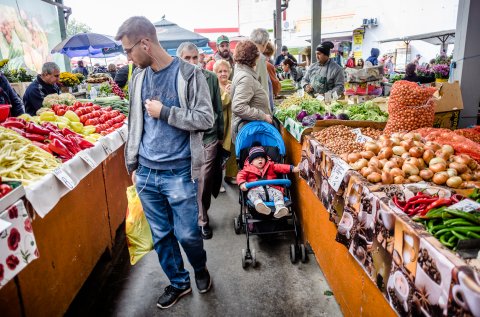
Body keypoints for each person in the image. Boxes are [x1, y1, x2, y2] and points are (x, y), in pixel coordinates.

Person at [115, 16, 214, 309]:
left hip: (180, 172)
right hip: (146, 174)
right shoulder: (138, 79)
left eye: (128, 50)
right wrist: (132, 165)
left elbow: (206, 119)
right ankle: (179, 282)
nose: (127, 57)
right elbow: (134, 125)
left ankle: (200, 268)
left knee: (188, 234)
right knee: (161, 236)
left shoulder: (189, 75)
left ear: (145, 43)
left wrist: (167, 112)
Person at [176, 42, 224, 240]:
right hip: (184, 137)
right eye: (187, 58)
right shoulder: (175, 78)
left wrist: (220, 136)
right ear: (179, 59)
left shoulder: (210, 78)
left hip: (208, 136)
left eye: (195, 57)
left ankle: (203, 220)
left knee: (204, 179)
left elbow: (217, 108)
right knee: (187, 180)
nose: (192, 62)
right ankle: (189, 217)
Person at [237, 146, 300, 218]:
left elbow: (281, 167)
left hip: (271, 189)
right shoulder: (247, 169)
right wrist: (242, 183)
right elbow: (240, 175)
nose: (260, 159)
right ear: (251, 161)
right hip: (256, 189)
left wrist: (293, 168)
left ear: (266, 159)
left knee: (278, 193)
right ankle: (259, 205)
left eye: (262, 158)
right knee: (251, 193)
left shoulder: (271, 166)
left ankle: (280, 208)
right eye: (257, 158)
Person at [231, 40, 273, 143]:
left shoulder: (243, 73)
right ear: (253, 57)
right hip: (250, 134)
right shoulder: (246, 77)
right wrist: (263, 116)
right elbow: (238, 107)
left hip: (251, 131)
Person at [213, 59, 237, 186]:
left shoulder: (233, 84)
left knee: (232, 150)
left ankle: (230, 175)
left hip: (233, 123)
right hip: (220, 125)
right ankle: (218, 181)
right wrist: (227, 94)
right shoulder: (214, 86)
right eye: (220, 71)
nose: (223, 73)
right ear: (215, 73)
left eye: (225, 71)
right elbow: (219, 105)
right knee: (218, 153)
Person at [250, 28, 273, 110]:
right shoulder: (259, 58)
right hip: (259, 110)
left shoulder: (245, 56)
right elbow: (264, 87)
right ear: (264, 43)